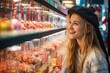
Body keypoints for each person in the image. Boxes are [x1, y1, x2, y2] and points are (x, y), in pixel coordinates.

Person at [64, 6, 109, 73]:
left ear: (88, 28)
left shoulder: (95, 58)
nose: (70, 27)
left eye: (75, 23)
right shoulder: (75, 50)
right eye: (70, 22)